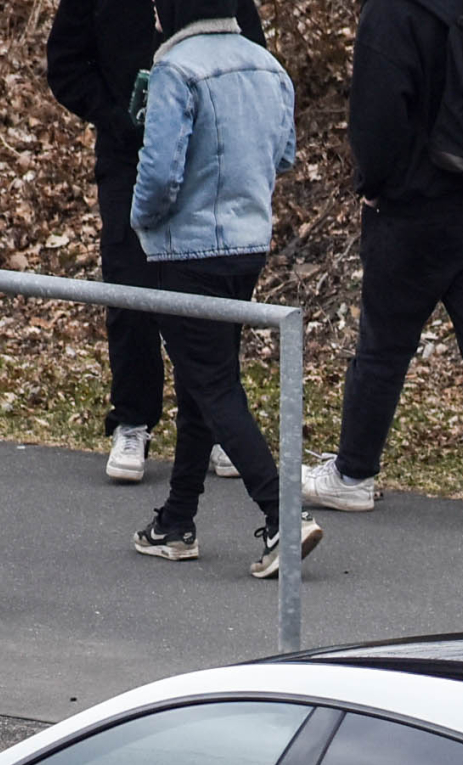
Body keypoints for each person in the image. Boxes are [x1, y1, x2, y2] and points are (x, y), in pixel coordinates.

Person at [302, 0, 463, 524]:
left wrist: (372, 186)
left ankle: (351, 475)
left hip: (415, 206)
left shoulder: (390, 12)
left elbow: (378, 115)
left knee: (383, 344)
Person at [126, 0, 321, 575]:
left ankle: (283, 514)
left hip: (186, 248)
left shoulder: (175, 69)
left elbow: (159, 174)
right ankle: (176, 519)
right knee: (202, 381)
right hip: (248, 241)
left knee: (211, 383)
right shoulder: (267, 65)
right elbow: (282, 155)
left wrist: (141, 221)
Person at [49, 0, 262, 485]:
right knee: (130, 287)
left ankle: (217, 423)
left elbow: (248, 49)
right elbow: (66, 65)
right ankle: (133, 418)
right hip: (128, 155)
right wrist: (117, 116)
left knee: (211, 289)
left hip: (207, 154)